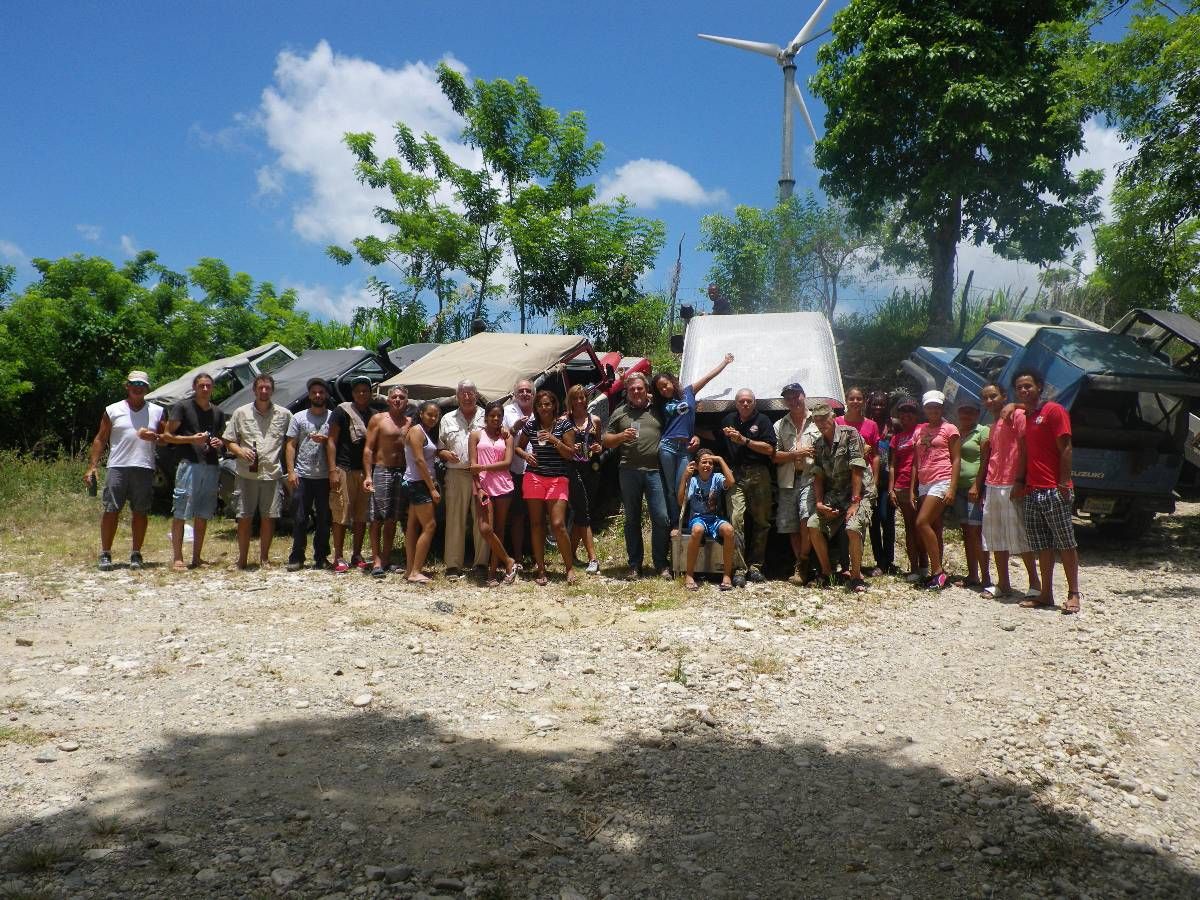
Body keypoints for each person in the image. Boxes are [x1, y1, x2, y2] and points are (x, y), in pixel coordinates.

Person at [1012, 369, 1081, 614]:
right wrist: (1020, 482)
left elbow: (1066, 447)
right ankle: (1046, 593)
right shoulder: (1028, 417)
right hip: (1032, 490)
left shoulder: (1054, 411)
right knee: (1042, 545)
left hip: (1054, 489)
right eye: (1019, 387)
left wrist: (1064, 482)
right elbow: (1026, 453)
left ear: (1039, 387)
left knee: (1065, 542)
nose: (1024, 390)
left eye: (1028, 386)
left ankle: (1074, 594)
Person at [85, 370, 165, 571]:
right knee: (111, 509)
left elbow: (166, 439)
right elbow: (100, 438)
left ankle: (136, 553)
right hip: (117, 466)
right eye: (134, 384)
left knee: (140, 511)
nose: (138, 388)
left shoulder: (157, 411)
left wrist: (155, 437)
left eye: (142, 385)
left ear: (147, 388)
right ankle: (105, 553)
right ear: (127, 386)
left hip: (144, 466)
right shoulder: (112, 410)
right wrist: (92, 466)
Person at [653, 353, 735, 526]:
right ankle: (675, 523)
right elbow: (638, 395)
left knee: (682, 485)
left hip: (685, 448)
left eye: (665, 385)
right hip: (667, 446)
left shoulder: (688, 392)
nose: (664, 390)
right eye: (660, 389)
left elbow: (707, 378)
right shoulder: (660, 402)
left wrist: (725, 362)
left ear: (672, 381)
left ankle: (684, 518)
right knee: (670, 488)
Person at [977, 382, 1041, 599]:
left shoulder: (1017, 416)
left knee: (1020, 534)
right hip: (993, 483)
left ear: (1004, 396)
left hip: (1011, 482)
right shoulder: (993, 425)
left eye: (993, 396)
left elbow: (1025, 447)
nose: (989, 401)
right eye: (985, 397)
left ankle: (1035, 584)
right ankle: (1003, 583)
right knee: (995, 536)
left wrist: (1020, 480)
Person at [603, 372, 670, 579]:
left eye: (640, 388)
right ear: (627, 391)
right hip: (628, 471)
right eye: (632, 389)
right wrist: (621, 436)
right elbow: (606, 440)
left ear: (646, 389)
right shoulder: (620, 412)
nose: (636, 392)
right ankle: (635, 565)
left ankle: (661, 563)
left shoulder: (658, 409)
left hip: (655, 471)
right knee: (632, 518)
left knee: (661, 518)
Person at [223, 373, 291, 570]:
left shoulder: (284, 414)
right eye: (260, 387)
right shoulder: (241, 413)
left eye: (267, 388)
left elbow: (291, 442)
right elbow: (228, 440)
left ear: (272, 390)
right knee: (244, 517)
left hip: (271, 474)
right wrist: (240, 451)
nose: (264, 391)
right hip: (246, 474)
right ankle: (242, 560)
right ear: (254, 390)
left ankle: (264, 559)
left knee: (269, 518)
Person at [807, 402, 876, 592]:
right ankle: (827, 573)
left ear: (833, 417)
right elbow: (818, 475)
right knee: (813, 524)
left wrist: (855, 502)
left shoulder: (850, 434)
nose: (821, 423)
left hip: (859, 493)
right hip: (836, 495)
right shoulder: (818, 444)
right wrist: (819, 503)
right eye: (817, 420)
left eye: (824, 418)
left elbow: (857, 467)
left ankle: (855, 577)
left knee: (853, 528)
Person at [161, 372, 227, 571]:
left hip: (211, 465)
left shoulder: (218, 412)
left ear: (212, 388)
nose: (205, 389)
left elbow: (222, 439)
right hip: (188, 464)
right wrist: (191, 439)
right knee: (181, 511)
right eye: (201, 386)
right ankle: (178, 558)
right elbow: (167, 436)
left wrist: (219, 443)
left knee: (203, 512)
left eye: (208, 386)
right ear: (195, 387)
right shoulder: (183, 407)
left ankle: (197, 557)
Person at [516, 390, 577, 585]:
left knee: (558, 524)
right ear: (536, 407)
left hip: (557, 478)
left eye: (547, 404)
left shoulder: (564, 425)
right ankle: (541, 568)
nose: (544, 408)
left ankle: (569, 568)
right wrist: (526, 455)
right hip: (534, 477)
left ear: (554, 406)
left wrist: (554, 440)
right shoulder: (531, 425)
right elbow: (518, 447)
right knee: (536, 524)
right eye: (540, 404)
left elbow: (570, 454)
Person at [720, 388, 777, 585]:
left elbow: (770, 449)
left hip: (759, 473)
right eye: (741, 401)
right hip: (735, 474)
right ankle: (739, 569)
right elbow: (716, 437)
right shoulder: (728, 420)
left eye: (749, 401)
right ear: (736, 403)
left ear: (754, 403)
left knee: (762, 521)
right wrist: (694, 436)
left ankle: (756, 567)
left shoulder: (763, 421)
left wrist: (743, 440)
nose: (745, 404)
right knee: (736, 520)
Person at [326, 376, 377, 573]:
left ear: (370, 393)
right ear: (353, 393)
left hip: (364, 471)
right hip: (344, 468)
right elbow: (331, 440)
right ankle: (338, 556)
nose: (362, 394)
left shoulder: (374, 414)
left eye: (365, 390)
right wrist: (332, 470)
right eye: (358, 391)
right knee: (341, 513)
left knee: (361, 515)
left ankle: (357, 554)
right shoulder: (341, 411)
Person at [910, 390, 960, 591]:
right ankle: (935, 572)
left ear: (942, 408)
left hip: (942, 479)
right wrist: (913, 488)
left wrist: (952, 488)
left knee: (921, 522)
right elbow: (916, 461)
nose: (933, 410)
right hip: (924, 481)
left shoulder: (949, 429)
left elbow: (956, 458)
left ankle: (938, 571)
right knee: (934, 526)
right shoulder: (919, 430)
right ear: (924, 408)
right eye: (929, 407)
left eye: (936, 407)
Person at [773, 382, 821, 584]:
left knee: (805, 518)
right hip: (788, 479)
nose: (793, 401)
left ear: (804, 395)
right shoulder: (779, 425)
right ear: (785, 401)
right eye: (789, 398)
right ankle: (802, 565)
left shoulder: (817, 420)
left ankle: (804, 562)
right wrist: (796, 454)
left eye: (796, 396)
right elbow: (774, 456)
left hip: (811, 477)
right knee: (791, 524)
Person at [438, 380, 487, 578]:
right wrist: (445, 454)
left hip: (482, 475)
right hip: (456, 474)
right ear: (457, 396)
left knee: (482, 520)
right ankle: (453, 565)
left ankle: (481, 564)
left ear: (476, 395)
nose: (467, 397)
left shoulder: (487, 416)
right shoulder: (447, 418)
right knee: (454, 519)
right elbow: (440, 448)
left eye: (470, 393)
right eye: (463, 393)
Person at [284, 378, 333, 571]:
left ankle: (321, 556)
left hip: (325, 476)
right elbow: (290, 445)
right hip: (302, 475)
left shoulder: (333, 417)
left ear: (326, 395)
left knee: (324, 519)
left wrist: (326, 440)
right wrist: (291, 471)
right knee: (300, 518)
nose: (318, 395)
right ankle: (297, 556)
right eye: (314, 392)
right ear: (309, 395)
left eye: (321, 392)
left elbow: (338, 442)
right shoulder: (298, 417)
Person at [469, 400, 519, 586]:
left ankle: (492, 573)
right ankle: (508, 561)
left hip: (503, 485)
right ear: (486, 416)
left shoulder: (507, 437)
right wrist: (479, 487)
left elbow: (507, 463)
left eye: (499, 416)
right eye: (492, 415)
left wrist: (483, 467)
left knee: (499, 529)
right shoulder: (475, 435)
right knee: (485, 529)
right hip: (483, 487)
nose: (496, 419)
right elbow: (472, 466)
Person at [362, 385, 410, 578]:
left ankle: (386, 558)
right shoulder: (379, 419)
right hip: (382, 470)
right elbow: (368, 449)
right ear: (389, 400)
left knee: (392, 518)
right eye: (395, 397)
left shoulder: (410, 422)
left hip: (402, 472)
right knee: (377, 518)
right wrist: (368, 475)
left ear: (407, 401)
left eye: (401, 397)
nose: (398, 400)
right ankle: (376, 561)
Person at [678, 451, 737, 591]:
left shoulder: (717, 477)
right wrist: (684, 477)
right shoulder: (693, 481)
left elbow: (731, 481)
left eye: (710, 463)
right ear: (697, 466)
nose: (707, 465)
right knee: (697, 530)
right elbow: (681, 502)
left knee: (729, 530)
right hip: (698, 518)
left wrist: (720, 459)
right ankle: (689, 574)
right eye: (704, 462)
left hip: (715, 518)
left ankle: (726, 575)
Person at [564, 384, 602, 574]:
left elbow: (600, 443)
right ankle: (592, 558)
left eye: (582, 397)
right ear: (570, 401)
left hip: (592, 469)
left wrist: (598, 448)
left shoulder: (595, 420)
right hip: (572, 468)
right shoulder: (564, 420)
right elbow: (558, 446)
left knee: (583, 511)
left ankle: (570, 554)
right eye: (575, 398)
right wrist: (570, 447)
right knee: (583, 511)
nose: (579, 401)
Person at [953, 398, 991, 590]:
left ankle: (986, 577)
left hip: (973, 489)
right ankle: (972, 575)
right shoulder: (957, 432)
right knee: (967, 532)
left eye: (970, 412)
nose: (966, 415)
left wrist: (977, 485)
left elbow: (985, 460)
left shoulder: (983, 431)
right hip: (958, 489)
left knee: (977, 532)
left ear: (977, 414)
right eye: (963, 411)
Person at [403, 402, 442, 584]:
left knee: (412, 525)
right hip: (419, 483)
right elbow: (419, 461)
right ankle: (416, 571)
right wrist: (432, 488)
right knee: (430, 525)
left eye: (436, 415)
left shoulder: (425, 432)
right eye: (429, 414)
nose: (433, 418)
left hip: (416, 482)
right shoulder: (417, 431)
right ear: (421, 414)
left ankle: (410, 569)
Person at [890, 397, 928, 582]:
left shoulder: (923, 429)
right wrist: (891, 489)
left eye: (910, 411)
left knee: (923, 526)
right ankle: (914, 567)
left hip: (923, 483)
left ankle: (925, 565)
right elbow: (892, 465)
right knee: (910, 527)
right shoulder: (896, 438)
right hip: (902, 485)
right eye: (903, 411)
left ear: (917, 414)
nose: (906, 415)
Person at [502, 379, 536, 564]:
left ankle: (536, 554)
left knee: (537, 515)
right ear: (515, 394)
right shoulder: (507, 412)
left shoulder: (540, 410)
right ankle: (518, 556)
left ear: (533, 394)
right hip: (514, 470)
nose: (524, 394)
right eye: (521, 391)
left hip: (538, 470)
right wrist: (514, 429)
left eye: (528, 391)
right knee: (517, 515)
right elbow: (498, 437)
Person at [865, 391, 897, 575]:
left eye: (882, 404)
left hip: (888, 480)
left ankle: (889, 559)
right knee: (874, 521)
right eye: (875, 404)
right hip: (869, 479)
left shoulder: (894, 425)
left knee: (887, 519)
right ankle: (880, 561)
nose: (878, 407)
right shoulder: (866, 423)